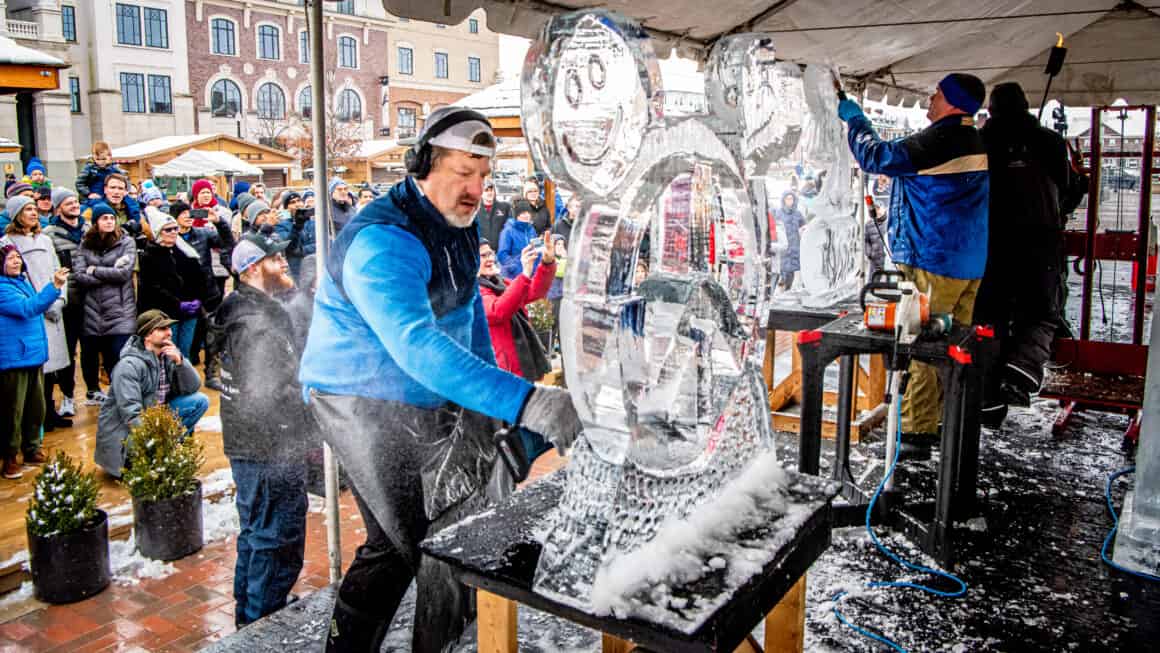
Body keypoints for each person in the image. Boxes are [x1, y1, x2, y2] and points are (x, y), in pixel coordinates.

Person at [298, 106, 580, 653]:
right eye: (462, 174)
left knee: (444, 531)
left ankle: (435, 640)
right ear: (422, 166)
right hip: (354, 395)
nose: (476, 189)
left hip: (418, 389)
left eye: (483, 176)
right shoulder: (384, 240)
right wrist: (529, 402)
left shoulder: (457, 221)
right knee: (413, 541)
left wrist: (490, 402)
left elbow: (468, 309)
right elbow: (416, 345)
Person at [838, 73, 989, 460]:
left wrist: (856, 121)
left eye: (937, 94)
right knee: (949, 346)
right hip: (964, 260)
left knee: (918, 343)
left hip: (932, 260)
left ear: (954, 101)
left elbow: (877, 157)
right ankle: (940, 420)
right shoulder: (969, 137)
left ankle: (918, 434)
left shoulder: (943, 138)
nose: (930, 99)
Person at [211, 233, 311, 628]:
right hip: (269, 448)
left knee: (256, 533)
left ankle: (249, 616)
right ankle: (262, 624)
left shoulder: (240, 311)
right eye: (274, 258)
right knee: (276, 538)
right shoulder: (256, 323)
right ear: (253, 269)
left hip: (249, 445)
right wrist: (308, 399)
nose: (284, 263)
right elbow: (267, 393)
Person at [975, 82, 1082, 427]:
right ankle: (1022, 372)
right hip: (1039, 244)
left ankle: (987, 399)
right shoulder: (1050, 142)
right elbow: (1067, 191)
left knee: (988, 317)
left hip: (990, 244)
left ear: (991, 110)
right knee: (1040, 311)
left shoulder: (981, 141)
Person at [93, 310, 209, 478]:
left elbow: (193, 387)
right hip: (128, 433)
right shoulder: (129, 366)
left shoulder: (168, 354)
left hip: (156, 418)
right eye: (162, 329)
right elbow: (132, 414)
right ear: (147, 335)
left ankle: (169, 452)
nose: (169, 333)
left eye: (169, 328)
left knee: (199, 401)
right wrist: (157, 438)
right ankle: (151, 457)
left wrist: (181, 362)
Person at [478, 236, 557, 462]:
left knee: (524, 420)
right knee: (510, 426)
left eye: (491, 253)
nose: (491, 258)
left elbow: (534, 291)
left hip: (521, 366)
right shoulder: (473, 292)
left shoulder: (500, 282)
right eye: (483, 255)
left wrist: (547, 262)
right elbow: (499, 310)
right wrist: (524, 274)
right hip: (502, 372)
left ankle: (522, 462)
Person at [4, 194, 71, 431]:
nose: (33, 213)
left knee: (53, 366)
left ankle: (50, 410)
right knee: (37, 367)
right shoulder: (7, 242)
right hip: (33, 309)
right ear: (16, 215)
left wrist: (60, 298)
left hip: (53, 307)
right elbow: (15, 278)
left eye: (34, 209)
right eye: (27, 209)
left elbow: (57, 269)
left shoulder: (44, 239)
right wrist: (40, 302)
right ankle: (36, 418)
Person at [0, 243, 65, 478]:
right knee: (12, 411)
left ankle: (31, 448)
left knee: (35, 407)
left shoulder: (22, 283)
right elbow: (28, 308)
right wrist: (54, 287)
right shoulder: (2, 288)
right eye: (10, 259)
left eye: (18, 257)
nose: (16, 261)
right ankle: (9, 457)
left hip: (32, 354)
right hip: (12, 358)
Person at [73, 202, 138, 405]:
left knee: (118, 357)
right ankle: (92, 391)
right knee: (90, 354)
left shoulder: (126, 242)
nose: (109, 221)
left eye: (111, 218)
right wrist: (107, 271)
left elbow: (123, 274)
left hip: (120, 310)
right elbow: (80, 276)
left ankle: (122, 394)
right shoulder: (85, 244)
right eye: (104, 218)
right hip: (91, 310)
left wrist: (95, 270)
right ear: (96, 222)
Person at [137, 207, 206, 361]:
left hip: (190, 312)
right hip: (166, 315)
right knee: (166, 355)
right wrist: (178, 304)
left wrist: (198, 299)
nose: (174, 232)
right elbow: (152, 287)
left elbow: (199, 277)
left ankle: (182, 383)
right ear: (158, 232)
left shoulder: (185, 252)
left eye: (175, 228)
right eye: (168, 230)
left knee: (184, 355)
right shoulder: (149, 256)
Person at [43, 187, 86, 416]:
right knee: (68, 351)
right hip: (67, 300)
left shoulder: (87, 229)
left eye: (76, 201)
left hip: (91, 297)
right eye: (68, 202)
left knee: (89, 347)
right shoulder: (49, 233)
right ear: (58, 207)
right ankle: (68, 396)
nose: (74, 205)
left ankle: (92, 391)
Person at [274, 192, 316, 281]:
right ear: (286, 208)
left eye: (298, 201)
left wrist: (302, 250)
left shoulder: (313, 223)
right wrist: (296, 227)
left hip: (316, 267)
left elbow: (324, 243)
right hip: (297, 270)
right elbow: (289, 247)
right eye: (292, 202)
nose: (297, 204)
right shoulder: (281, 226)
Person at [774, 190, 805, 290]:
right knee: (782, 267)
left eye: (791, 199)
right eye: (787, 199)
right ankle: (781, 284)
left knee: (792, 268)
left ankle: (788, 288)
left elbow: (803, 225)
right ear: (783, 200)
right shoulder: (778, 213)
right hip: (783, 244)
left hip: (794, 244)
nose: (789, 201)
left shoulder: (798, 214)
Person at [497, 206, 537, 279]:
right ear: (517, 215)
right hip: (514, 275)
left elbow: (535, 249)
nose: (527, 215)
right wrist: (515, 267)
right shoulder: (508, 231)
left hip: (532, 271)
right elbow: (502, 254)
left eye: (528, 213)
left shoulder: (532, 229)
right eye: (523, 213)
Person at [474, 178, 511, 249]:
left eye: (491, 190)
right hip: (482, 252)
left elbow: (509, 229)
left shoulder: (505, 207)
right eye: (486, 190)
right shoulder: (475, 210)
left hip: (500, 251)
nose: (489, 193)